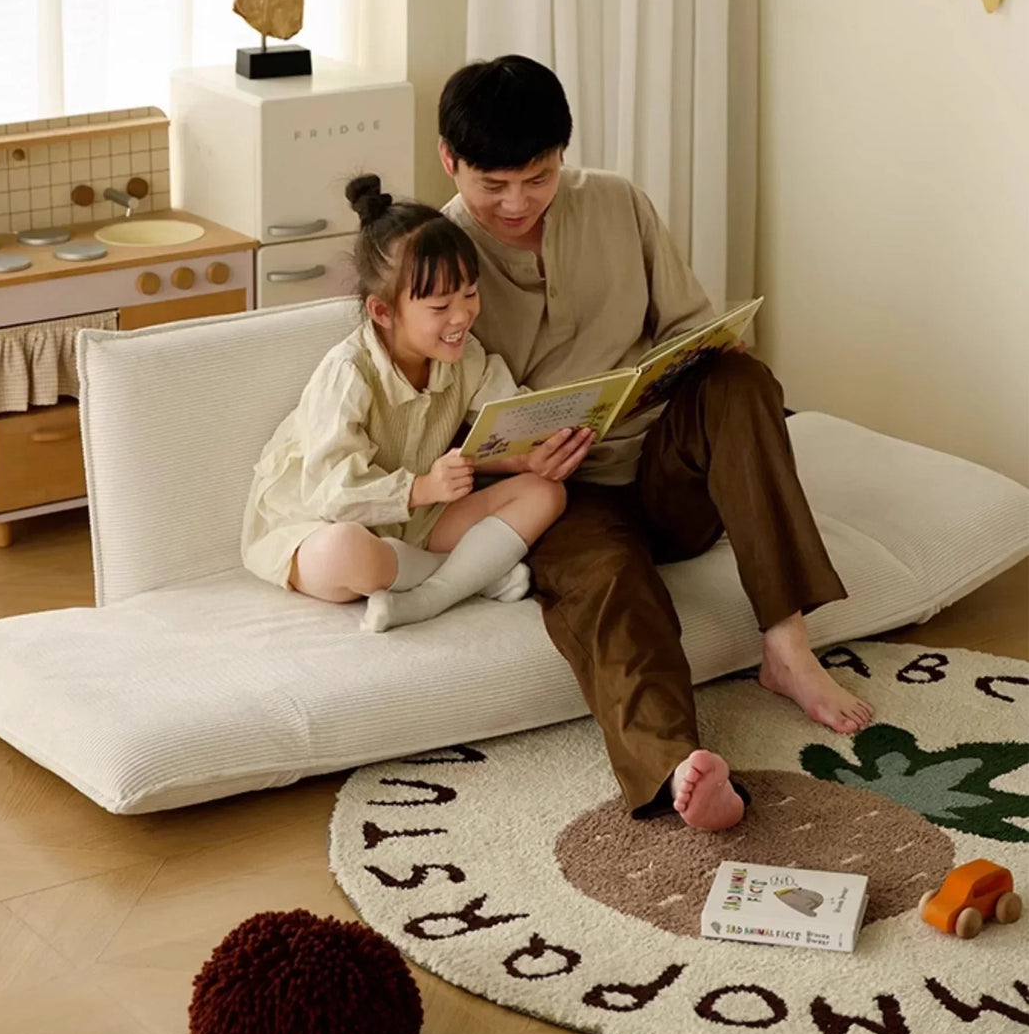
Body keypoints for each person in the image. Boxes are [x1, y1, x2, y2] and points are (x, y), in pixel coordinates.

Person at [437, 55, 873, 832]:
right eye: (491, 185)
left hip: (670, 474)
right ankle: (679, 768)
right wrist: (515, 460)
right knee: (607, 581)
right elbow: (438, 419)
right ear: (450, 162)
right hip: (558, 498)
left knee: (745, 385)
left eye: (536, 179)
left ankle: (787, 648)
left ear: (562, 156)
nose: (515, 203)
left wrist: (708, 351)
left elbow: (682, 322)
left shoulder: (616, 203)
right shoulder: (438, 261)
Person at [241, 174, 593, 633]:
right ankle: (467, 575)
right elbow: (332, 492)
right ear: (384, 312)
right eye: (440, 306)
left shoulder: (465, 358)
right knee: (345, 552)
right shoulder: (348, 372)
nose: (462, 315)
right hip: (318, 522)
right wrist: (422, 488)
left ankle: (431, 593)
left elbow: (511, 418)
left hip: (416, 522)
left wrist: (532, 453)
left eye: (469, 294)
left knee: (545, 493)